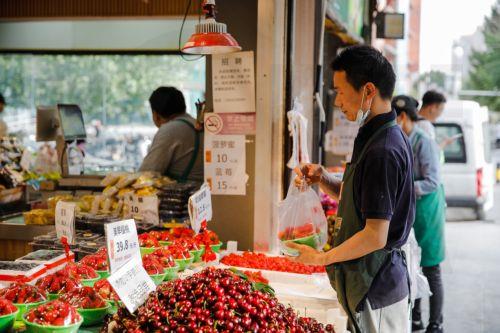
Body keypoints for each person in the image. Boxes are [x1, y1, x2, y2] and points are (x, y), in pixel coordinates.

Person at [288, 45, 415, 333]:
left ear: (368, 90)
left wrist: (321, 258)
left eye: (340, 91)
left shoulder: (383, 149)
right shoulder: (372, 135)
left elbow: (375, 235)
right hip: (365, 282)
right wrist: (322, 178)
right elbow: (357, 201)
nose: (337, 102)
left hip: (377, 287)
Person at [393, 95, 446, 333]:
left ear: (403, 117)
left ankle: (436, 323)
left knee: (431, 267)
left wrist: (404, 186)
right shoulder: (403, 138)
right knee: (413, 264)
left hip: (429, 210)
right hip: (412, 208)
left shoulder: (423, 141)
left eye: (393, 119)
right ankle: (415, 320)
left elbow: (432, 181)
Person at [139, 87, 203, 182]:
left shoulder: (169, 130)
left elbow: (146, 174)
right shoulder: (195, 123)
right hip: (202, 192)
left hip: (183, 194)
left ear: (155, 115)